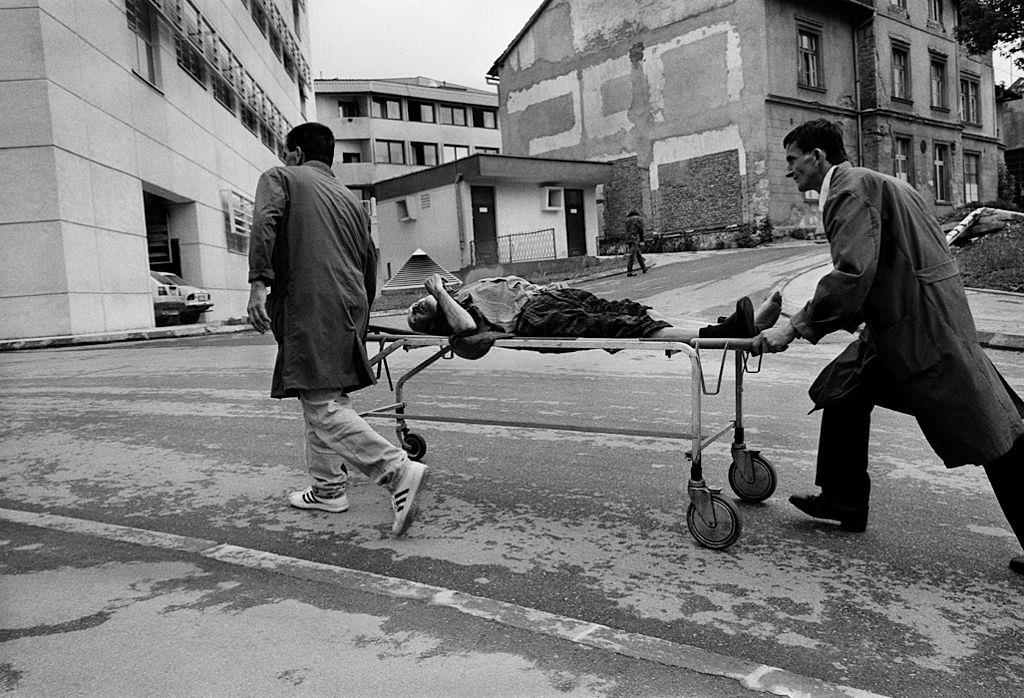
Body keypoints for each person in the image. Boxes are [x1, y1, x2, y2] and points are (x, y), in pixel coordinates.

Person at [752, 119, 1024, 575]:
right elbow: (882, 266)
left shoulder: (848, 190)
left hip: (921, 331)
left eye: (793, 161)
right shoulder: (880, 183)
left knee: (993, 430)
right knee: (843, 388)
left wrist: (794, 328)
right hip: (906, 323)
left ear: (817, 157)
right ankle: (844, 498)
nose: (789, 172)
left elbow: (854, 272)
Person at [247, 122, 429, 537]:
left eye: (286, 153)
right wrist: (359, 316)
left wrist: (259, 283)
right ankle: (328, 488)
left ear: (293, 153)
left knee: (321, 406)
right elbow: (370, 258)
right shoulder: (350, 199)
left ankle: (396, 471)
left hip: (311, 300)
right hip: (348, 303)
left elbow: (264, 222)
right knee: (325, 397)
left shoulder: (281, 177)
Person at [407, 274, 782, 359]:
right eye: (416, 316)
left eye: (415, 306)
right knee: (624, 327)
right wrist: (438, 294)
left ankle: (725, 331)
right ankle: (732, 336)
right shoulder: (456, 315)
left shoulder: (457, 294)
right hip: (536, 318)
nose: (415, 309)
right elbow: (469, 331)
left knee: (631, 310)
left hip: (549, 297)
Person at [625, 209, 647, 277]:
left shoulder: (627, 220)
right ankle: (629, 271)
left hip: (628, 238)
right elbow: (640, 230)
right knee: (632, 255)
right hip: (634, 237)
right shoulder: (638, 219)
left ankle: (643, 267)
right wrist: (642, 239)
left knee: (637, 253)